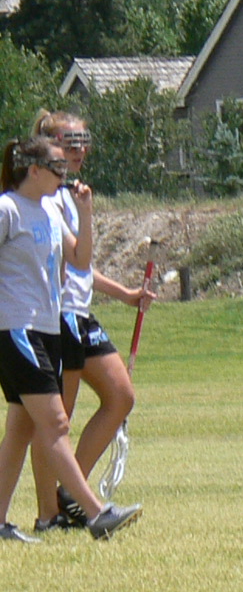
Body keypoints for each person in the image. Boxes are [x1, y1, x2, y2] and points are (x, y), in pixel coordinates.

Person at [0, 137, 141, 542]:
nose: (65, 175)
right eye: (57, 168)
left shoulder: (48, 209)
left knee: (21, 430)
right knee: (56, 422)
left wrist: (85, 213)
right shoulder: (8, 209)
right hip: (17, 329)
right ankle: (96, 514)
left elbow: (79, 260)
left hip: (46, 330)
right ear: (34, 170)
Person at [28, 111, 152, 533]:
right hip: (57, 316)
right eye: (70, 143)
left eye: (84, 142)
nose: (79, 150)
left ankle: (71, 491)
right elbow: (67, 259)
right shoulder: (45, 197)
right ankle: (49, 515)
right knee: (55, 420)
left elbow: (83, 266)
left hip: (81, 313)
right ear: (50, 147)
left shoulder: (69, 194)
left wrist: (126, 294)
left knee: (121, 396)